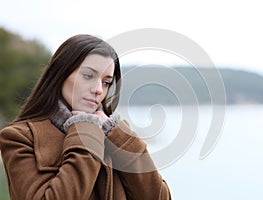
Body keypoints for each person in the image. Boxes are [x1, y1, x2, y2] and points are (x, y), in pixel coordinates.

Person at [0, 34, 171, 199]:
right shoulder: (19, 137)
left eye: (106, 82)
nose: (98, 89)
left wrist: (119, 137)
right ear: (60, 74)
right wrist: (85, 130)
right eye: (88, 76)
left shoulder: (111, 134)